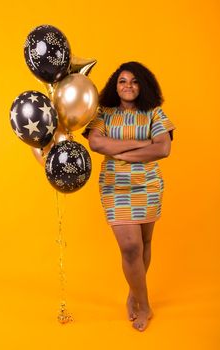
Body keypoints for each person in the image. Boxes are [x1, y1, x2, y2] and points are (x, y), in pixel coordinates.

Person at [82, 61, 175, 332]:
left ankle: (134, 293)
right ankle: (145, 305)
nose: (128, 86)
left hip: (147, 186)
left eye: (134, 81)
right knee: (131, 247)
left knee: (145, 243)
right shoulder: (104, 113)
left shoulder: (154, 113)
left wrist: (120, 153)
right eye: (123, 81)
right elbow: (97, 142)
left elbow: (164, 149)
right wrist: (144, 143)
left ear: (142, 85)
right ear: (116, 85)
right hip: (115, 187)